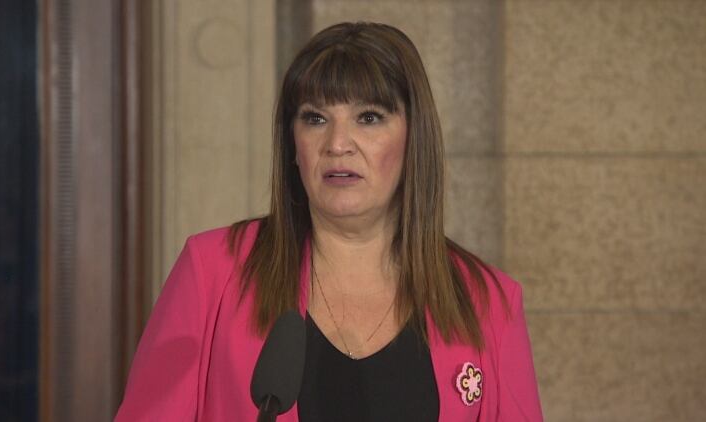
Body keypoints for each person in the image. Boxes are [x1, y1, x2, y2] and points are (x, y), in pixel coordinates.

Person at [116, 22, 543, 421]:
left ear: (415, 138)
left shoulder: (489, 301)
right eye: (315, 118)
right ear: (293, 143)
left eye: (369, 117)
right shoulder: (213, 271)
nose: (337, 144)